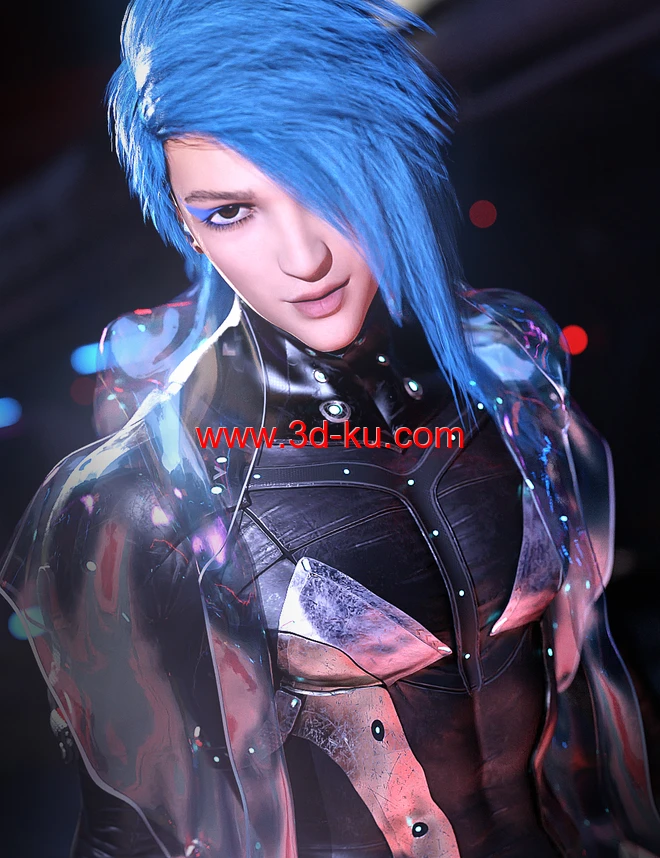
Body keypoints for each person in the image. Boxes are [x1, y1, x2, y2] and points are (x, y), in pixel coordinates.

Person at [1, 0, 659, 856]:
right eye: (231, 211)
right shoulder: (145, 499)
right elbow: (127, 831)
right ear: (186, 224)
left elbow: (602, 686)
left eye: (325, 184)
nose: (303, 258)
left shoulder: (511, 380)